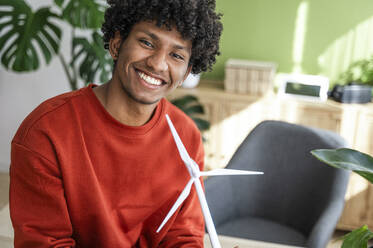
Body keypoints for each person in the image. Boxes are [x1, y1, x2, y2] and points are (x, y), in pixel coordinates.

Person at [9, 0, 222, 247]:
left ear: (186, 73)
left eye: (176, 55)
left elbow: (183, 237)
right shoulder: (46, 132)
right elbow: (45, 242)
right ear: (117, 44)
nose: (157, 63)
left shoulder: (187, 136)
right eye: (147, 43)